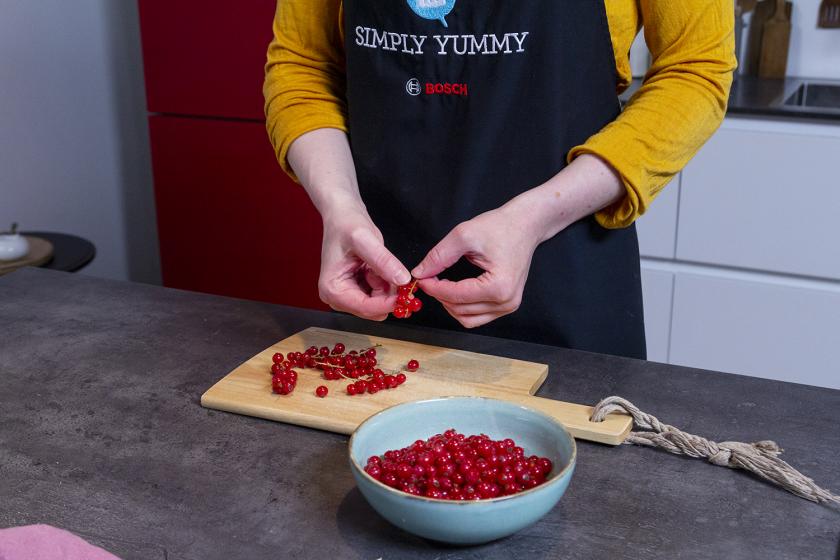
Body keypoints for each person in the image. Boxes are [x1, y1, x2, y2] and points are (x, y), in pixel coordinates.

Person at [264, 1, 735, 359]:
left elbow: (696, 67)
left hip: (564, 280)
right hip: (381, 276)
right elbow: (302, 66)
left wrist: (534, 218)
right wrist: (340, 206)